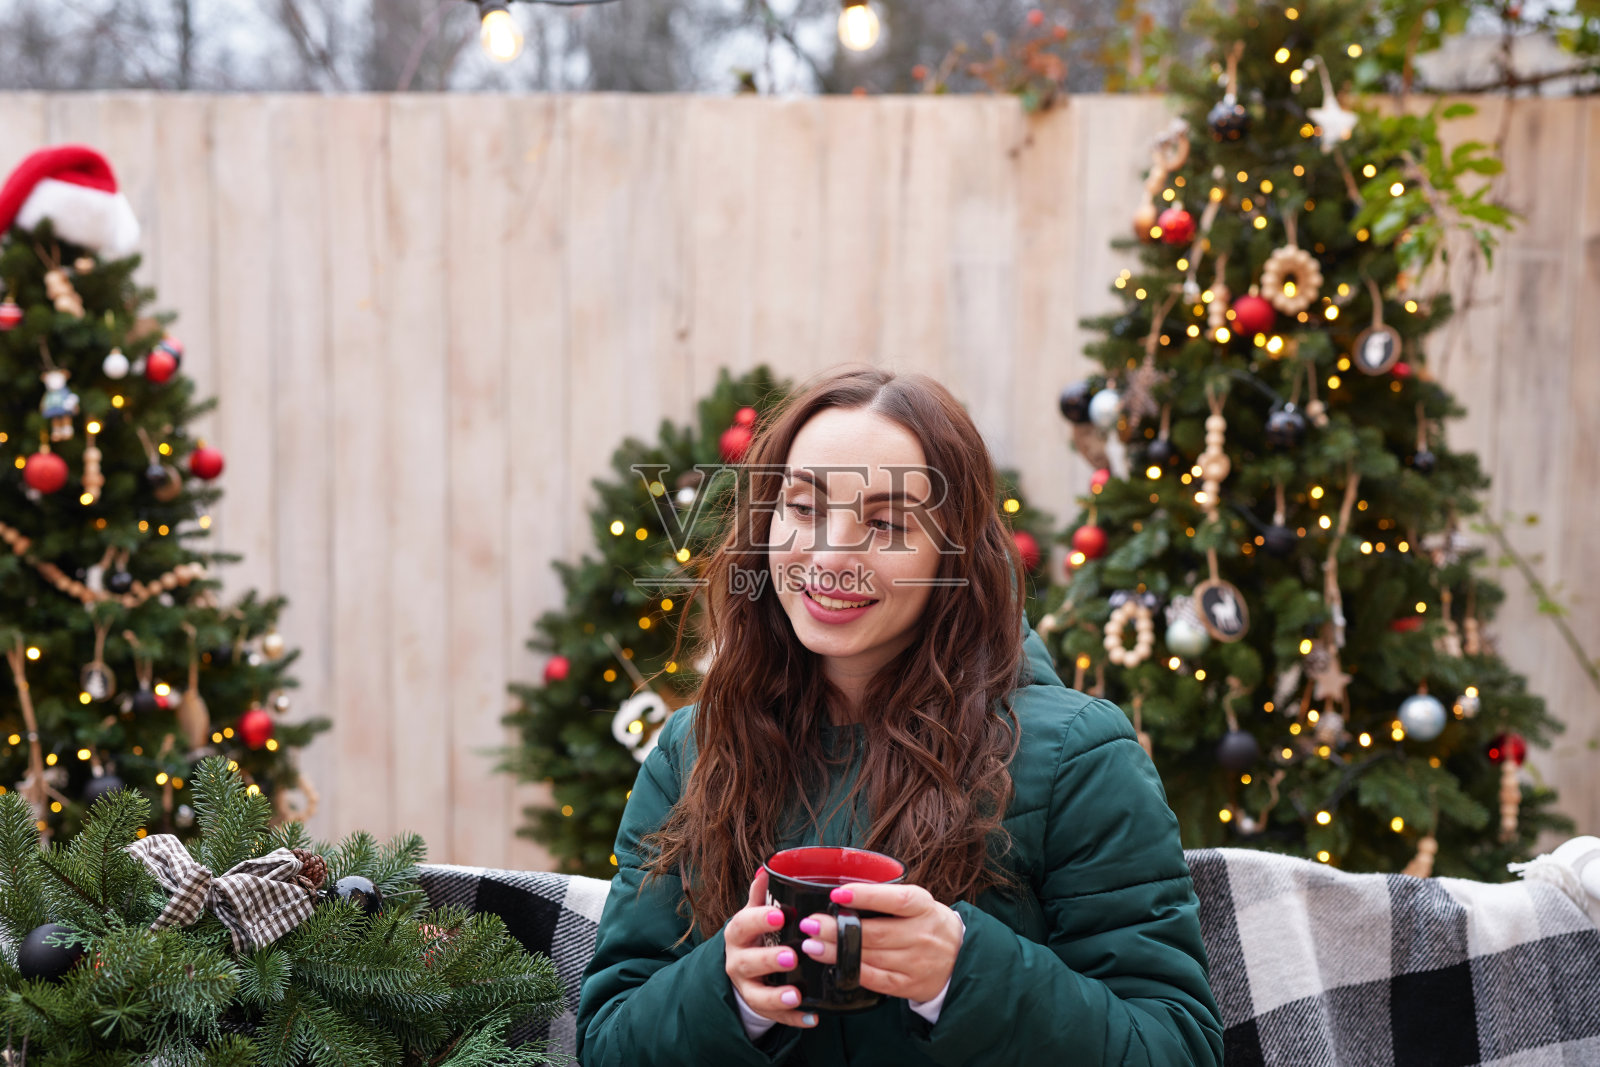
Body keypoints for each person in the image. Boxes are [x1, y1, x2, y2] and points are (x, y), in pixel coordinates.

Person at [576, 367, 1223, 1066]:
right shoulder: (692, 749)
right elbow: (608, 1041)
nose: (829, 556)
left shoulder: (1080, 757)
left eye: (885, 523)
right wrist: (726, 990)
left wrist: (962, 972)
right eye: (802, 507)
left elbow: (1175, 1046)